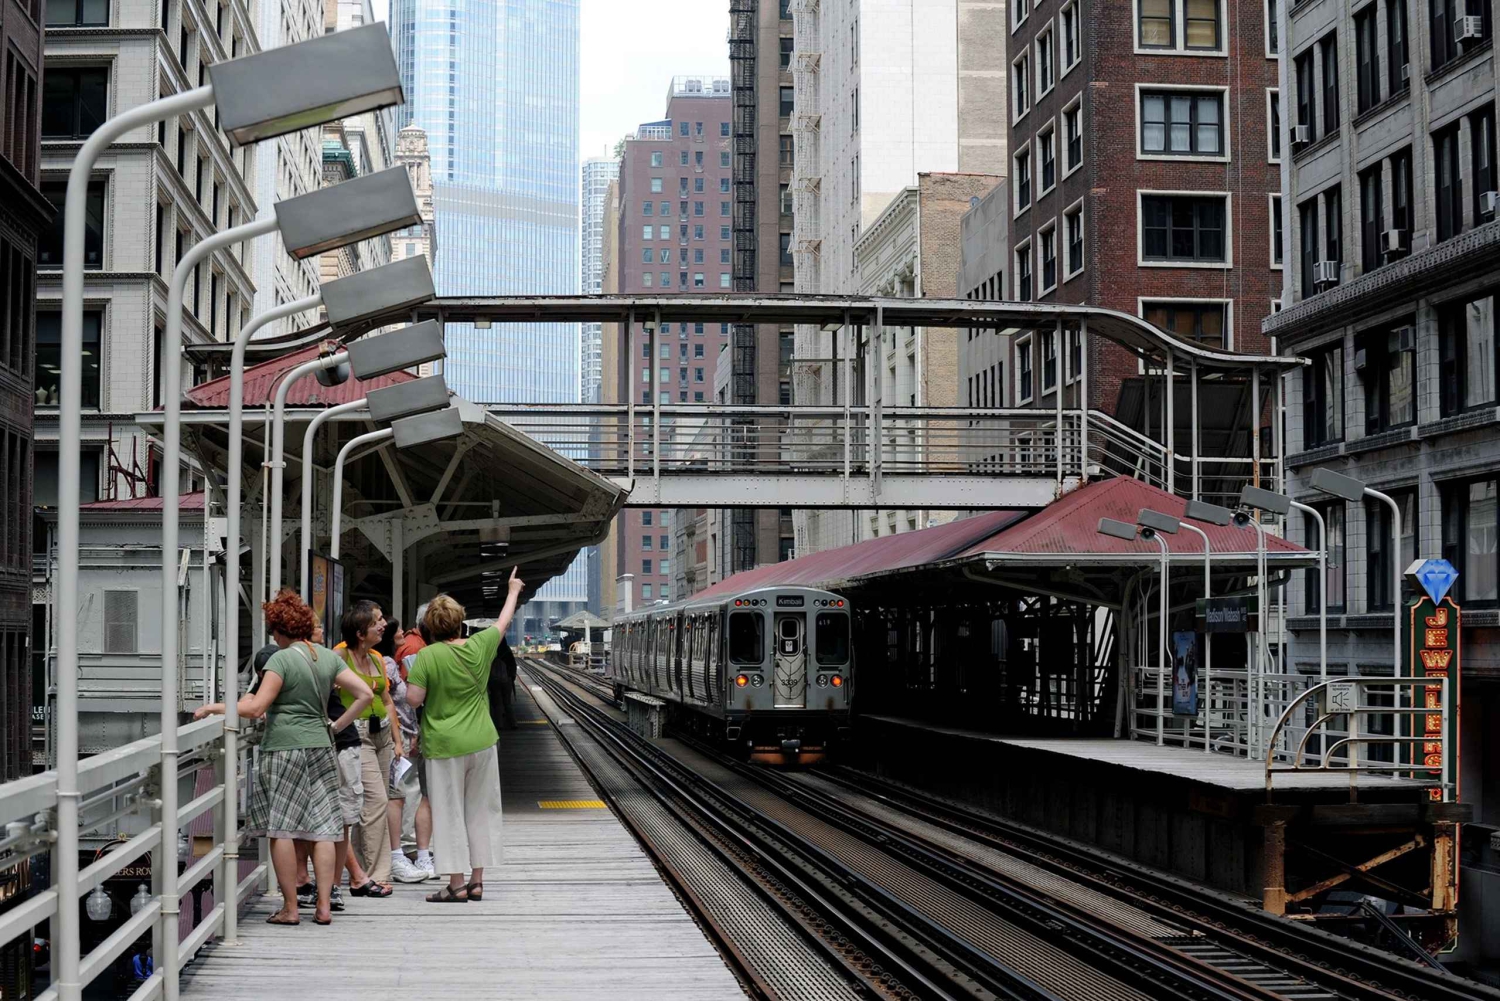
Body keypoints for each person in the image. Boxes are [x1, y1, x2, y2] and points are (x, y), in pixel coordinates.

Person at [195, 589, 372, 925]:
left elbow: (255, 707)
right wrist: (335, 726)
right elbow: (364, 693)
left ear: (279, 630)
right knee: (323, 828)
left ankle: (291, 909)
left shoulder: (280, 659)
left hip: (284, 748)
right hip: (321, 746)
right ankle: (323, 906)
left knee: (283, 829)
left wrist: (214, 707)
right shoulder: (326, 657)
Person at [407, 568, 524, 903]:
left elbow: (414, 699)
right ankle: (477, 881)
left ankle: (455, 883)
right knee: (481, 810)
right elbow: (502, 622)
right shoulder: (479, 645)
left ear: (429, 627)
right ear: (460, 622)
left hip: (443, 745)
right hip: (482, 742)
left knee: (448, 811)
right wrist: (513, 589)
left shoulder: (427, 656)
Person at [338, 602, 404, 892]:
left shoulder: (377, 658)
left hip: (383, 735)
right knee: (375, 801)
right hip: (357, 734)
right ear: (359, 632)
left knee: (373, 802)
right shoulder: (339, 657)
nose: (383, 626)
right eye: (376, 622)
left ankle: (361, 872)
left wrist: (398, 739)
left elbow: (388, 700)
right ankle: (377, 874)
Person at [378, 620, 434, 882]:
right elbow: (392, 703)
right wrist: (400, 736)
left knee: (408, 791)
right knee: (405, 792)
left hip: (404, 733)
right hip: (399, 737)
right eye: (397, 629)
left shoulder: (392, 658)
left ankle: (407, 849)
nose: (403, 632)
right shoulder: (389, 662)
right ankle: (405, 849)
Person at [488, 637, 518, 732]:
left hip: (494, 680)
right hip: (507, 680)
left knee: (497, 703)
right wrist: (511, 677)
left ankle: (499, 724)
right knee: (507, 702)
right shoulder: (507, 652)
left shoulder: (491, 651)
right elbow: (513, 666)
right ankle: (513, 723)